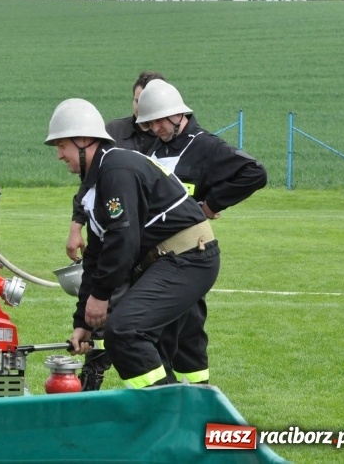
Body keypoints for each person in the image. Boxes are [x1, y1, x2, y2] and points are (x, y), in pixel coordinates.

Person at [45, 98, 221, 389]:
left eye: (62, 146)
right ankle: (169, 412)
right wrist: (83, 323)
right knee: (146, 339)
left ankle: (160, 414)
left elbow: (123, 240)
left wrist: (100, 298)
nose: (59, 155)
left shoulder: (116, 170)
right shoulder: (96, 180)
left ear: (84, 140)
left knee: (125, 331)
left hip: (188, 259)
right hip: (171, 260)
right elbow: (96, 257)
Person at [136, 79, 267, 384]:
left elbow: (254, 173)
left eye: (158, 121)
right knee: (161, 331)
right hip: (153, 257)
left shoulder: (206, 146)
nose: (155, 128)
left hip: (188, 255)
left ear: (177, 115)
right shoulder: (152, 149)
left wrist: (210, 204)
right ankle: (169, 394)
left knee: (188, 329)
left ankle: (197, 392)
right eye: (150, 123)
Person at [66, 71, 165, 391]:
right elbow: (90, 192)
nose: (143, 108)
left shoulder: (169, 137)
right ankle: (93, 373)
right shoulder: (109, 135)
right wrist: (77, 224)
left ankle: (170, 395)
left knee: (153, 329)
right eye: (139, 100)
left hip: (160, 250)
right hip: (123, 247)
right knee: (112, 313)